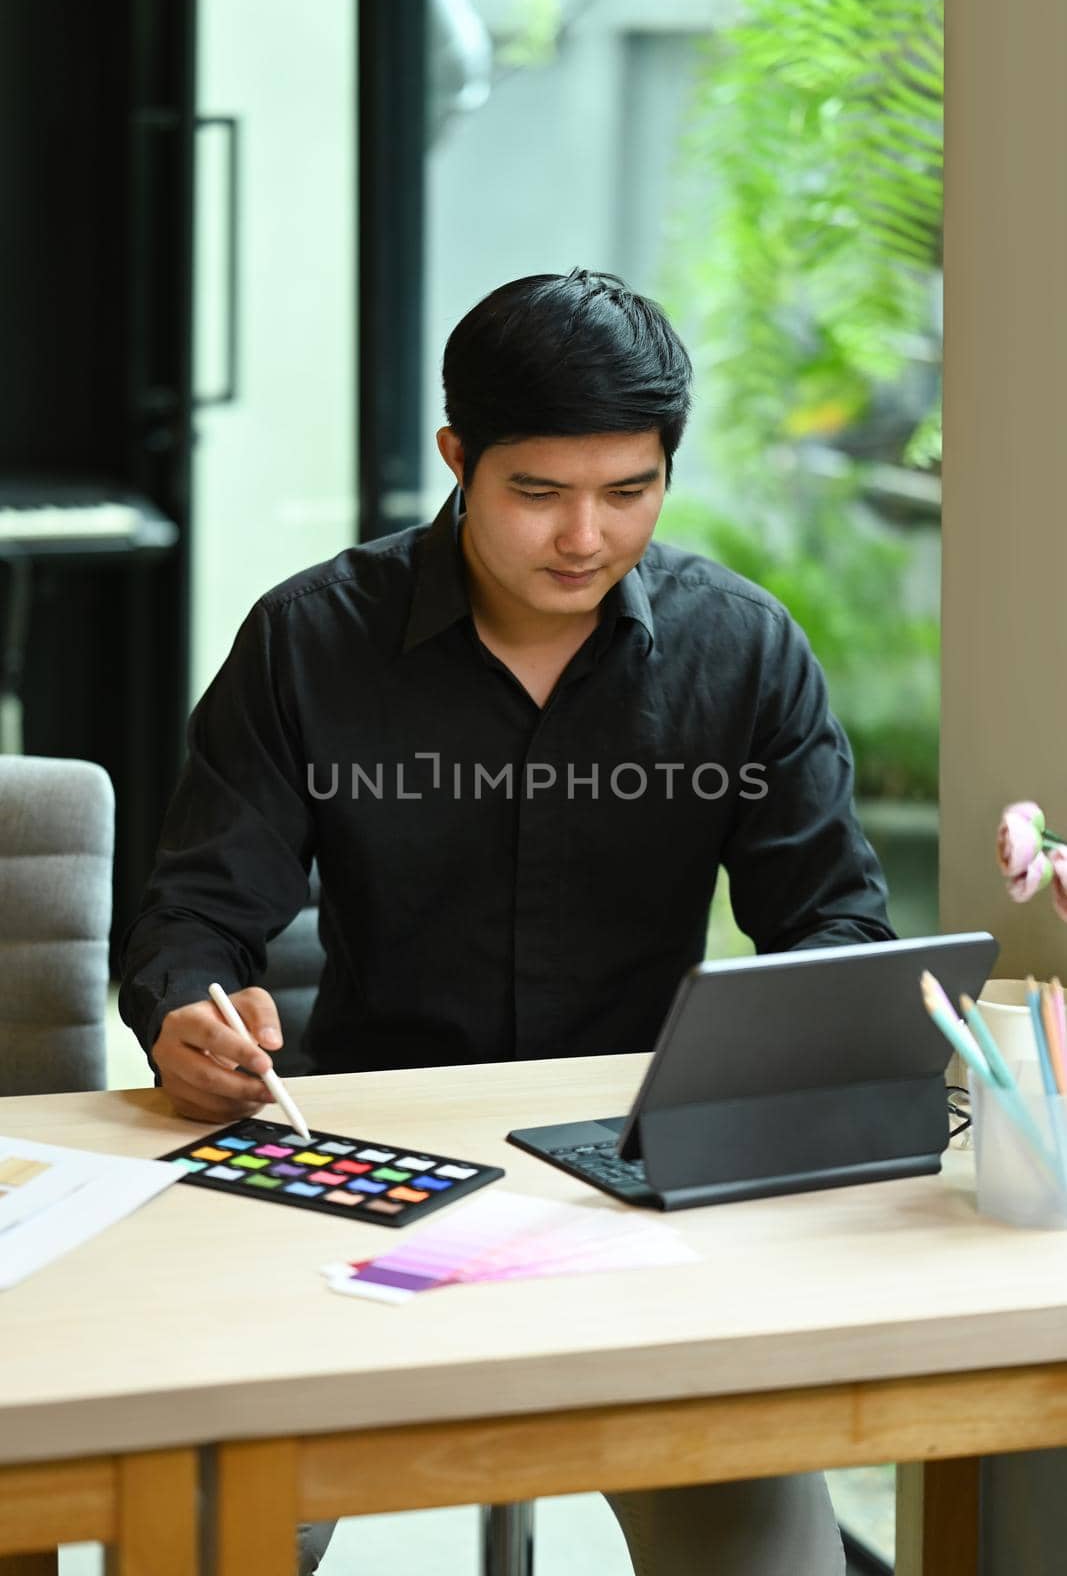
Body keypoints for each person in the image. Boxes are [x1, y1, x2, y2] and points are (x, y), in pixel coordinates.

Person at [121, 267, 893, 1575]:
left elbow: (836, 931)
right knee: (212, 1533)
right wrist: (189, 1011)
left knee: (769, 1552)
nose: (585, 537)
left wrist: (791, 1065)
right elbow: (195, 915)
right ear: (458, 460)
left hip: (646, 1187)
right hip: (360, 1174)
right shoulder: (311, 640)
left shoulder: (744, 651)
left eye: (628, 492)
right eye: (538, 493)